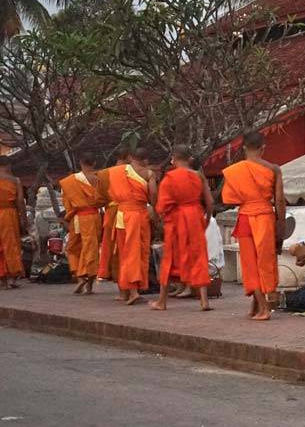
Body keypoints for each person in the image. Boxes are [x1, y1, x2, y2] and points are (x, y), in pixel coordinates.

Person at [222, 131, 286, 322]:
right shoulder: (274, 169)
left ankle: (261, 306)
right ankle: (262, 306)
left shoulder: (235, 170)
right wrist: (281, 224)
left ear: (244, 148)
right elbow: (279, 201)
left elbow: (228, 199)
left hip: (245, 217)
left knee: (250, 264)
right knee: (265, 261)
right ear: (263, 148)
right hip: (265, 217)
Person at [151, 146, 213, 312]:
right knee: (199, 255)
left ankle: (162, 301)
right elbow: (210, 202)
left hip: (176, 219)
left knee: (169, 258)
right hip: (195, 217)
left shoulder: (170, 178)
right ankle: (204, 301)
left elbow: (162, 206)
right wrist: (206, 219)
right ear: (189, 158)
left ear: (173, 159)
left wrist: (161, 220)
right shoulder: (198, 175)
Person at [107, 148, 157, 306]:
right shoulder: (148, 173)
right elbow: (153, 194)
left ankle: (126, 292)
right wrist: (155, 210)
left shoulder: (116, 171)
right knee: (136, 252)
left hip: (122, 215)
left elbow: (107, 192)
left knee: (124, 252)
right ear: (145, 160)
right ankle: (133, 291)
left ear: (130, 157)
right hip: (139, 214)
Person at [60, 153, 103, 295]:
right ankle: (89, 285)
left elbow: (67, 202)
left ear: (80, 162)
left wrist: (69, 215)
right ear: (94, 163)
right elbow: (104, 199)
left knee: (73, 248)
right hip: (94, 217)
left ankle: (80, 277)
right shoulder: (99, 178)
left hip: (77, 217)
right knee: (91, 249)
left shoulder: (70, 181)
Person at [97, 148, 131, 287]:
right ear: (128, 157)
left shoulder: (103, 174)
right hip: (131, 211)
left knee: (111, 244)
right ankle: (127, 277)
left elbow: (99, 198)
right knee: (128, 244)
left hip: (111, 212)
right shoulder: (134, 172)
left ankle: (111, 274)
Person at [0, 157, 28, 289]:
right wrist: (24, 218)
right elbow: (20, 201)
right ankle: (11, 277)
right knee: (11, 245)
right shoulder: (15, 180)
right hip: (9, 214)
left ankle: (2, 279)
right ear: (9, 165)